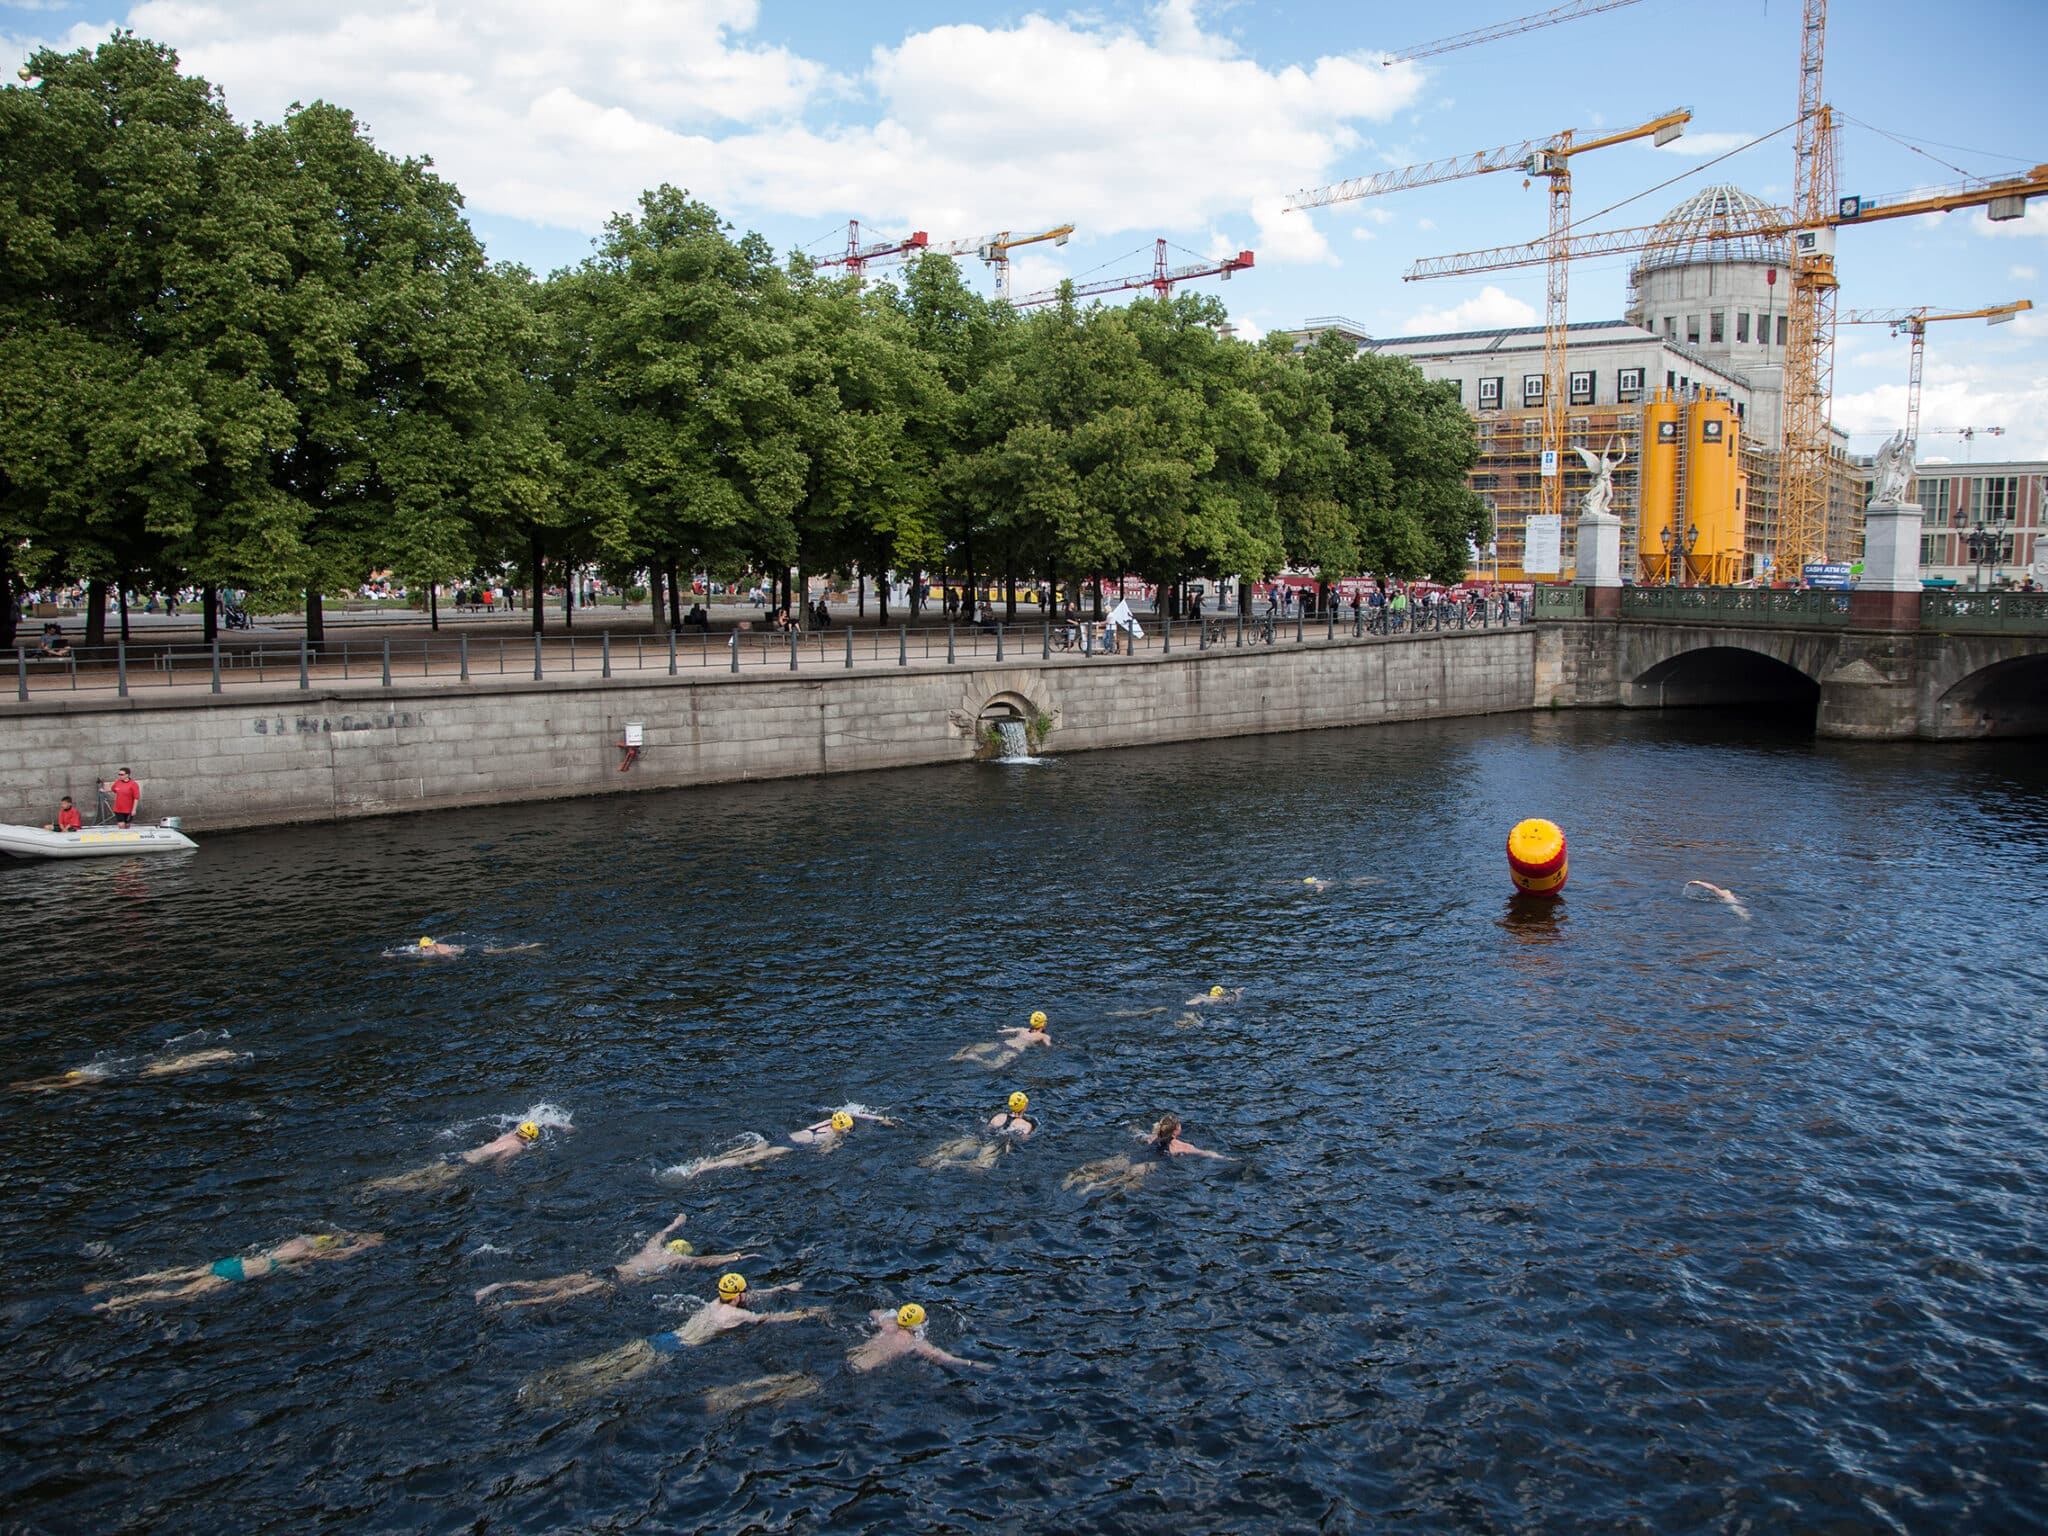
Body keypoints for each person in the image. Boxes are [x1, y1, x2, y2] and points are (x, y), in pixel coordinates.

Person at [518, 1273, 826, 1406]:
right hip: (671, 1352)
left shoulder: (713, 1305)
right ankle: (565, 1399)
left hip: (657, 1339)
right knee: (610, 1381)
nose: (748, 1295)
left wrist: (782, 1287)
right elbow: (770, 1319)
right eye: (744, 1292)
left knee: (597, 1365)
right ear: (737, 1298)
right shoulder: (738, 1317)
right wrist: (806, 1313)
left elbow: (748, 1295)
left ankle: (548, 1380)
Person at [475, 1212, 758, 1309]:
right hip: (613, 1281)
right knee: (559, 1296)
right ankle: (509, 1304)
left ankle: (499, 1286)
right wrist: (735, 1256)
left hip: (605, 1269)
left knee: (548, 1284)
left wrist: (675, 1223)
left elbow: (660, 1232)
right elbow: (707, 1261)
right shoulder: (675, 1263)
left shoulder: (653, 1249)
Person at [87, 1231, 383, 1313]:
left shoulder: (300, 1241)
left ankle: (110, 1284)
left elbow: (331, 1243)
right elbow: (339, 1256)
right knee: (180, 1294)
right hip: (239, 1275)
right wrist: (362, 1246)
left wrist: (356, 1236)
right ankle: (115, 1303)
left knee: (172, 1275)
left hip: (233, 1261)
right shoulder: (307, 1255)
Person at [362, 1119, 547, 1192]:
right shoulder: (517, 1147)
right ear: (529, 1138)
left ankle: (378, 1183)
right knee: (429, 1184)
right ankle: (384, 1190)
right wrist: (502, 1176)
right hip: (465, 1165)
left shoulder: (508, 1135)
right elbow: (500, 1163)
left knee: (418, 1173)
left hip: (459, 1156)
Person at [848, 1303, 992, 1373]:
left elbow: (874, 1312)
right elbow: (946, 1359)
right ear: (916, 1325)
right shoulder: (915, 1343)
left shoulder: (887, 1323)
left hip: (853, 1354)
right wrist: (974, 1364)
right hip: (865, 1369)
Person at [951, 1010, 1054, 1069]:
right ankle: (973, 1058)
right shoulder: (1044, 1036)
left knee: (973, 1047)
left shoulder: (1022, 1029)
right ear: (1044, 1024)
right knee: (993, 1066)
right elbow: (1048, 1047)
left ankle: (958, 1056)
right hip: (1014, 1050)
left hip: (1003, 1043)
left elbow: (1003, 1032)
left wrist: (1002, 1030)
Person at [1145, 1114, 1227, 1160]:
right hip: (1160, 1164)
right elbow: (1206, 1153)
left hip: (1149, 1156)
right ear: (1176, 1131)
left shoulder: (1152, 1138)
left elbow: (1138, 1135)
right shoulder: (1183, 1146)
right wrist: (1226, 1158)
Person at [1683, 880, 1752, 922]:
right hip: (1737, 902)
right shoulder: (1728, 894)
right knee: (1745, 914)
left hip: (1732, 904)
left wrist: (1698, 882)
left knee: (1744, 917)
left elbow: (1712, 887)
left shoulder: (1723, 894)